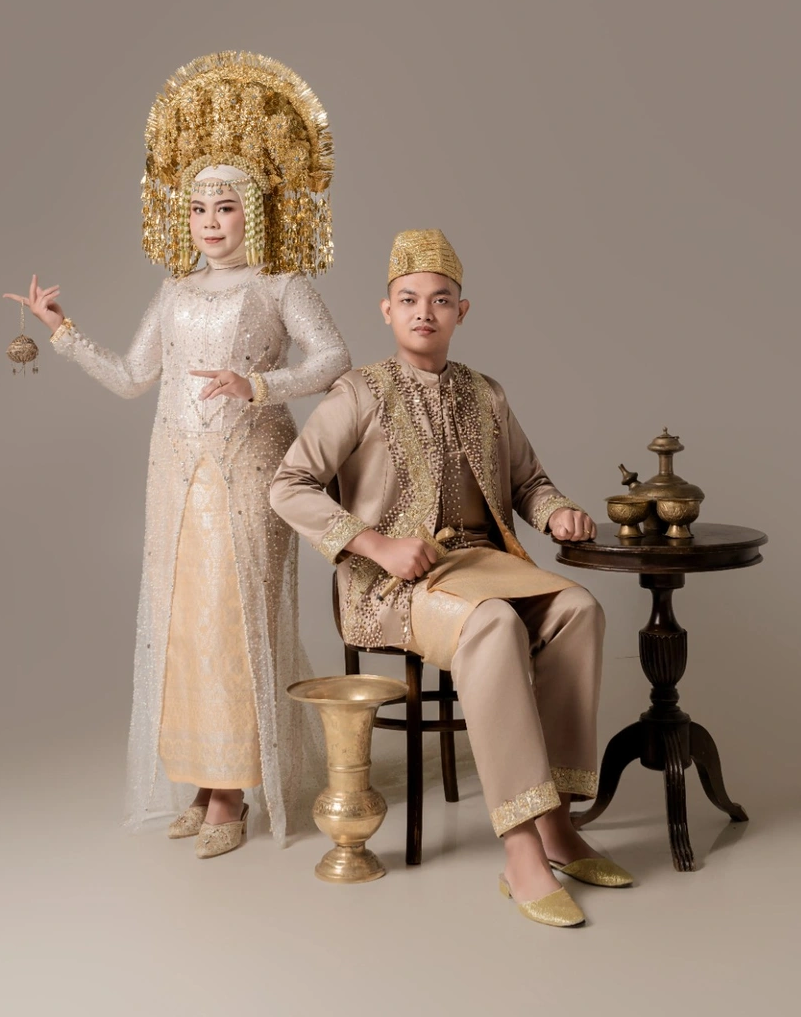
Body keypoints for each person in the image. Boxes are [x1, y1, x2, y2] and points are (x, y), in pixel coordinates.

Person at [5, 52, 349, 857]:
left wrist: (259, 385)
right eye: (197, 209)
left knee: (234, 621)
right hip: (175, 478)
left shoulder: (280, 283)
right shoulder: (175, 291)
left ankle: (234, 790)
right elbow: (134, 378)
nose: (209, 223)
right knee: (185, 625)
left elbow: (334, 358)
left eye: (224, 208)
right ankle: (200, 780)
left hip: (251, 470)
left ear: (253, 213)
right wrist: (61, 330)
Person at [269, 229, 632, 926]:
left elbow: (529, 482)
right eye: (408, 299)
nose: (423, 312)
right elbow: (289, 485)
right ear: (387, 310)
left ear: (461, 312)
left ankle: (557, 824)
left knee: (579, 610)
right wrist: (375, 545)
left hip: (484, 567)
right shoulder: (359, 393)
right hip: (390, 586)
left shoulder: (486, 394)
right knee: (492, 625)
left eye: (440, 300)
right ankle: (521, 848)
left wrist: (557, 513)